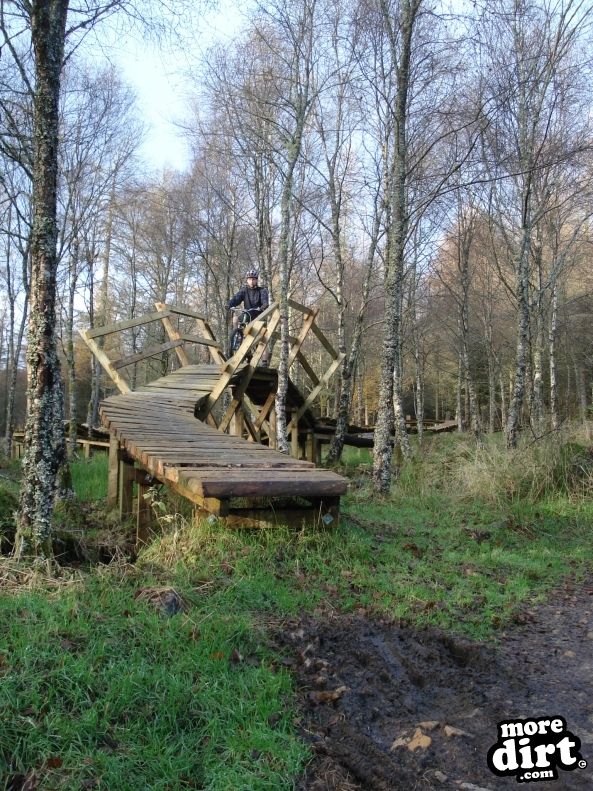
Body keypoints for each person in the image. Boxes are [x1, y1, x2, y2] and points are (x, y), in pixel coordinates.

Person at [228, 269, 271, 365]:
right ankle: (237, 336)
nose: (251, 281)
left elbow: (265, 301)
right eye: (249, 279)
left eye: (253, 279)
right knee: (235, 319)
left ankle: (264, 362)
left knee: (262, 339)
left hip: (259, 316)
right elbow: (236, 299)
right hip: (247, 314)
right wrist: (229, 304)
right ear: (247, 280)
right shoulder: (244, 290)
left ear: (256, 280)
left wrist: (264, 305)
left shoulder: (262, 291)